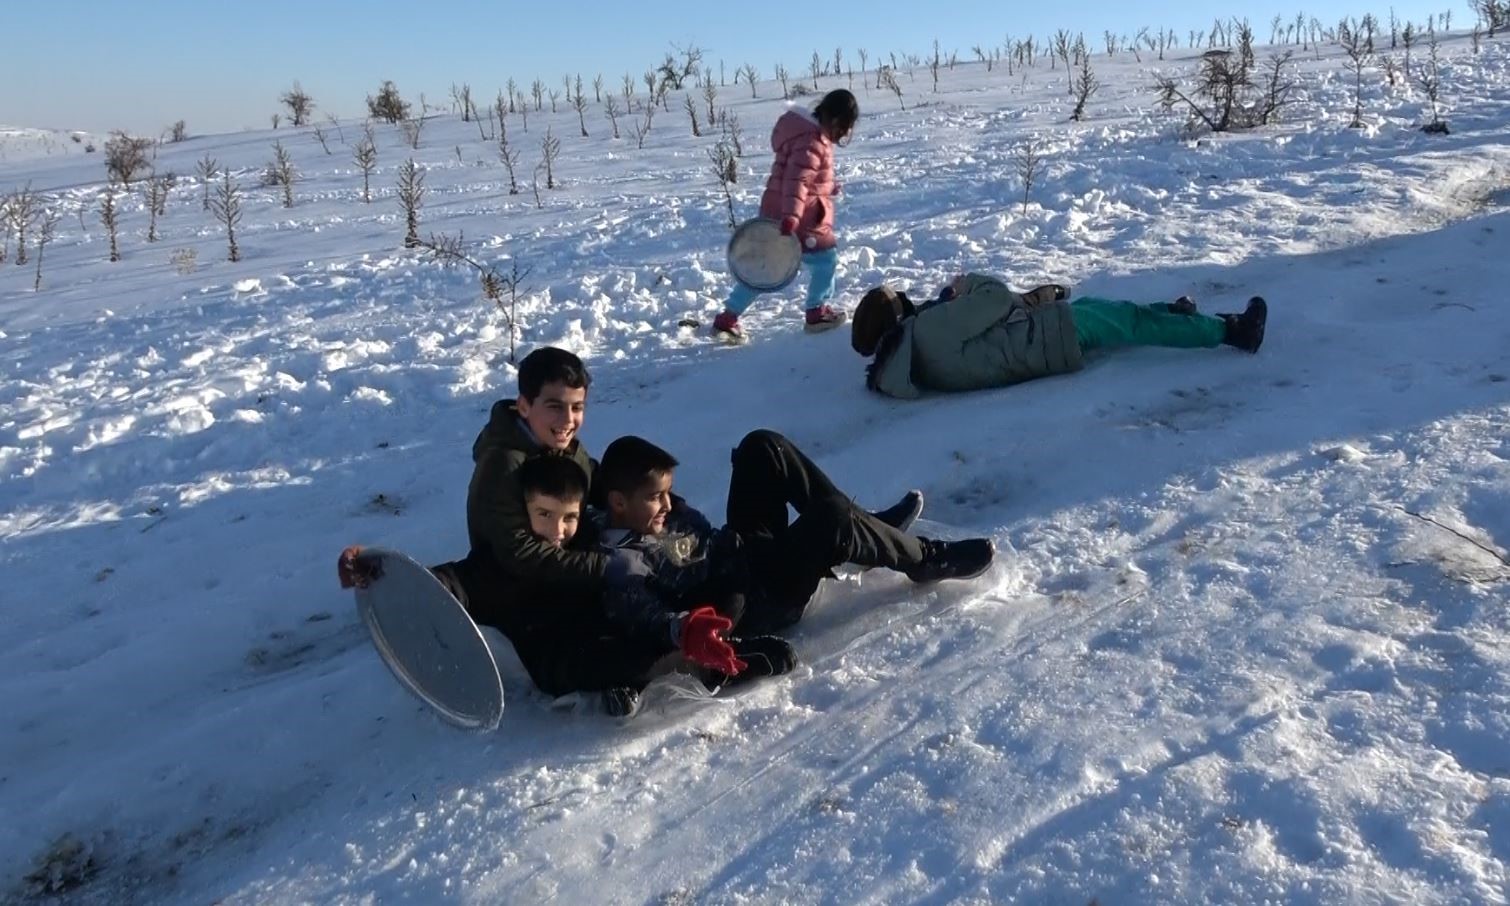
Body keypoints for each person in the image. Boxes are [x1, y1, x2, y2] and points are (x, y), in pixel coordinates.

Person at [595, 431, 997, 641]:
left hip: (741, 552)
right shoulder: (624, 566)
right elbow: (657, 625)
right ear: (618, 503)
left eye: (668, 492)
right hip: (753, 602)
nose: (667, 504)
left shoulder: (647, 514)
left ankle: (863, 529)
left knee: (762, 447)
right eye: (654, 497)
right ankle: (922, 559)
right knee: (831, 518)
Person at [849, 274, 1269, 399]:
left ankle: (1180, 316)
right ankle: (1233, 331)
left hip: (1037, 345)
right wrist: (967, 284)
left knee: (1125, 316)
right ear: (899, 316)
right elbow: (996, 299)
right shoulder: (928, 330)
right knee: (1133, 320)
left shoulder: (907, 360)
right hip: (1052, 334)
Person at [713, 89, 860, 343]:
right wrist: (792, 215)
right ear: (836, 121)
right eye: (846, 128)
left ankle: (728, 317)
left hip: (778, 212)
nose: (844, 135)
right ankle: (817, 311)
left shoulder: (801, 132)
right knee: (826, 261)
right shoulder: (813, 141)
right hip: (800, 220)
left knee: (765, 266)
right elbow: (797, 180)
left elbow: (803, 179)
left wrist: (826, 188)